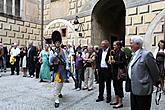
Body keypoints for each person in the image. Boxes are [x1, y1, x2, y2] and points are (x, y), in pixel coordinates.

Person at [128, 36, 160, 110]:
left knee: (143, 108)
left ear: (138, 44)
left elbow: (154, 70)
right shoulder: (134, 54)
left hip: (143, 89)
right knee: (134, 107)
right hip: (133, 87)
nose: (130, 45)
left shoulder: (146, 54)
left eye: (131, 43)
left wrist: (156, 81)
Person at [50, 31, 69, 108]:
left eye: (58, 42)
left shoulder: (63, 51)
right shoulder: (52, 51)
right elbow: (50, 61)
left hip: (62, 69)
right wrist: (53, 56)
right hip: (56, 69)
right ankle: (56, 99)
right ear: (55, 43)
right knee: (57, 85)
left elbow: (66, 59)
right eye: (56, 42)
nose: (57, 44)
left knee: (61, 83)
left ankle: (59, 92)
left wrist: (67, 65)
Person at [110, 41, 127, 108]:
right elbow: (111, 59)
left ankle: (120, 102)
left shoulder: (122, 53)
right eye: (113, 45)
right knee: (115, 86)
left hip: (119, 73)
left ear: (119, 46)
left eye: (115, 45)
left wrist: (115, 62)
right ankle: (116, 100)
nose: (113, 46)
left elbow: (124, 62)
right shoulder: (114, 53)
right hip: (114, 72)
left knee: (119, 87)